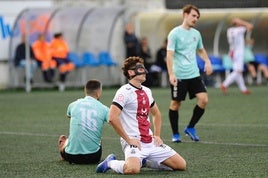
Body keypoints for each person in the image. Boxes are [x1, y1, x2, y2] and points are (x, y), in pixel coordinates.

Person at [96, 56, 186, 174]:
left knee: (181, 165)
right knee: (132, 170)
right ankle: (111, 163)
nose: (144, 71)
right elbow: (112, 118)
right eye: (140, 68)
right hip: (134, 142)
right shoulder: (124, 91)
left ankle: (144, 161)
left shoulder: (147, 91)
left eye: (143, 68)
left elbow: (156, 114)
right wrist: (128, 140)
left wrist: (157, 135)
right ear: (131, 72)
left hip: (150, 142)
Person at [166, 4, 213, 142]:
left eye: (197, 17)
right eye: (193, 15)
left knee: (204, 99)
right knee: (176, 104)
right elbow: (169, 55)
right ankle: (175, 134)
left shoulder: (196, 34)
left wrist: (207, 61)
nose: (195, 19)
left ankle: (190, 127)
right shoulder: (174, 33)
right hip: (179, 75)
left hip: (194, 74)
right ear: (185, 15)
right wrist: (171, 74)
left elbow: (201, 50)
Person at [58, 79, 109, 164]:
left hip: (71, 156)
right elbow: (112, 119)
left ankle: (63, 148)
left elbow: (69, 115)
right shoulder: (104, 108)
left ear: (85, 90)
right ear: (98, 92)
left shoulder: (72, 105)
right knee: (98, 136)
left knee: (63, 138)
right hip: (93, 157)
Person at [220, 18, 253, 94]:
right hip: (238, 53)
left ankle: (243, 89)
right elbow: (250, 26)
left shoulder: (230, 30)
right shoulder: (239, 29)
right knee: (238, 71)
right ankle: (224, 84)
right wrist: (242, 21)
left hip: (232, 52)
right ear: (237, 23)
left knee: (238, 71)